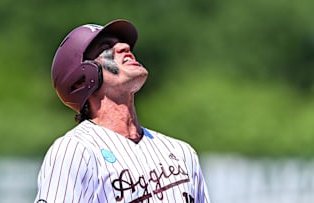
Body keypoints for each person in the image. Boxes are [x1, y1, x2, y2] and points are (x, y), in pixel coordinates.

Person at [34, 19, 211, 203]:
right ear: (81, 80)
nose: (125, 47)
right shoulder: (76, 151)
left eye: (122, 43)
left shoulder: (181, 152)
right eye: (106, 47)